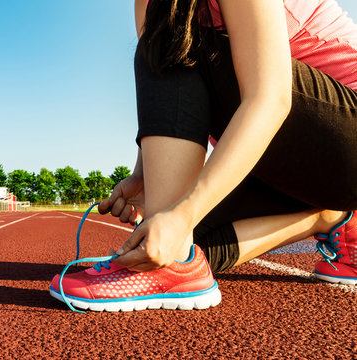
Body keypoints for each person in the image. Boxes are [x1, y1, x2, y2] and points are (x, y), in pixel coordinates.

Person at [49, 0, 357, 312]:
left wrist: (183, 214)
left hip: (345, 141)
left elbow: (270, 99)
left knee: (170, 37)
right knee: (183, 246)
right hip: (295, 162)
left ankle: (167, 267)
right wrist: (145, 177)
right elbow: (166, 92)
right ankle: (330, 218)